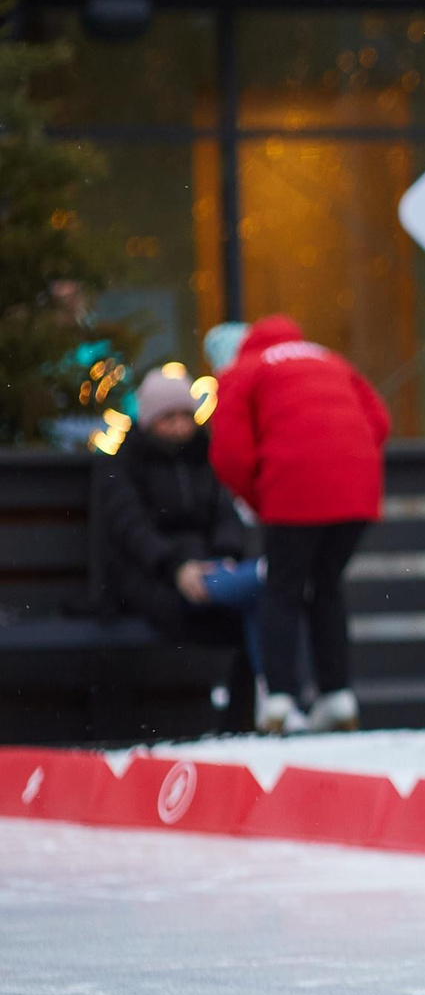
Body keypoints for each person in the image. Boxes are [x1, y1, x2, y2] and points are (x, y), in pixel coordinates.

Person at [208, 313, 388, 734]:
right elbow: (379, 421)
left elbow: (229, 453)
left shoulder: (244, 369)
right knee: (326, 586)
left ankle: (280, 702)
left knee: (282, 589)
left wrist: (258, 500)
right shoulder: (330, 359)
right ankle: (338, 697)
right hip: (356, 491)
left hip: (293, 487)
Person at [96, 366, 261, 726]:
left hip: (207, 570)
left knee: (265, 610)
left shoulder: (204, 458)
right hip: (150, 576)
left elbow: (225, 515)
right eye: (167, 417)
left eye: (185, 416)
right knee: (249, 610)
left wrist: (227, 556)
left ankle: (247, 718)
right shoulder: (123, 464)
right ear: (150, 420)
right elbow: (131, 529)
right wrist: (176, 568)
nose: (179, 426)